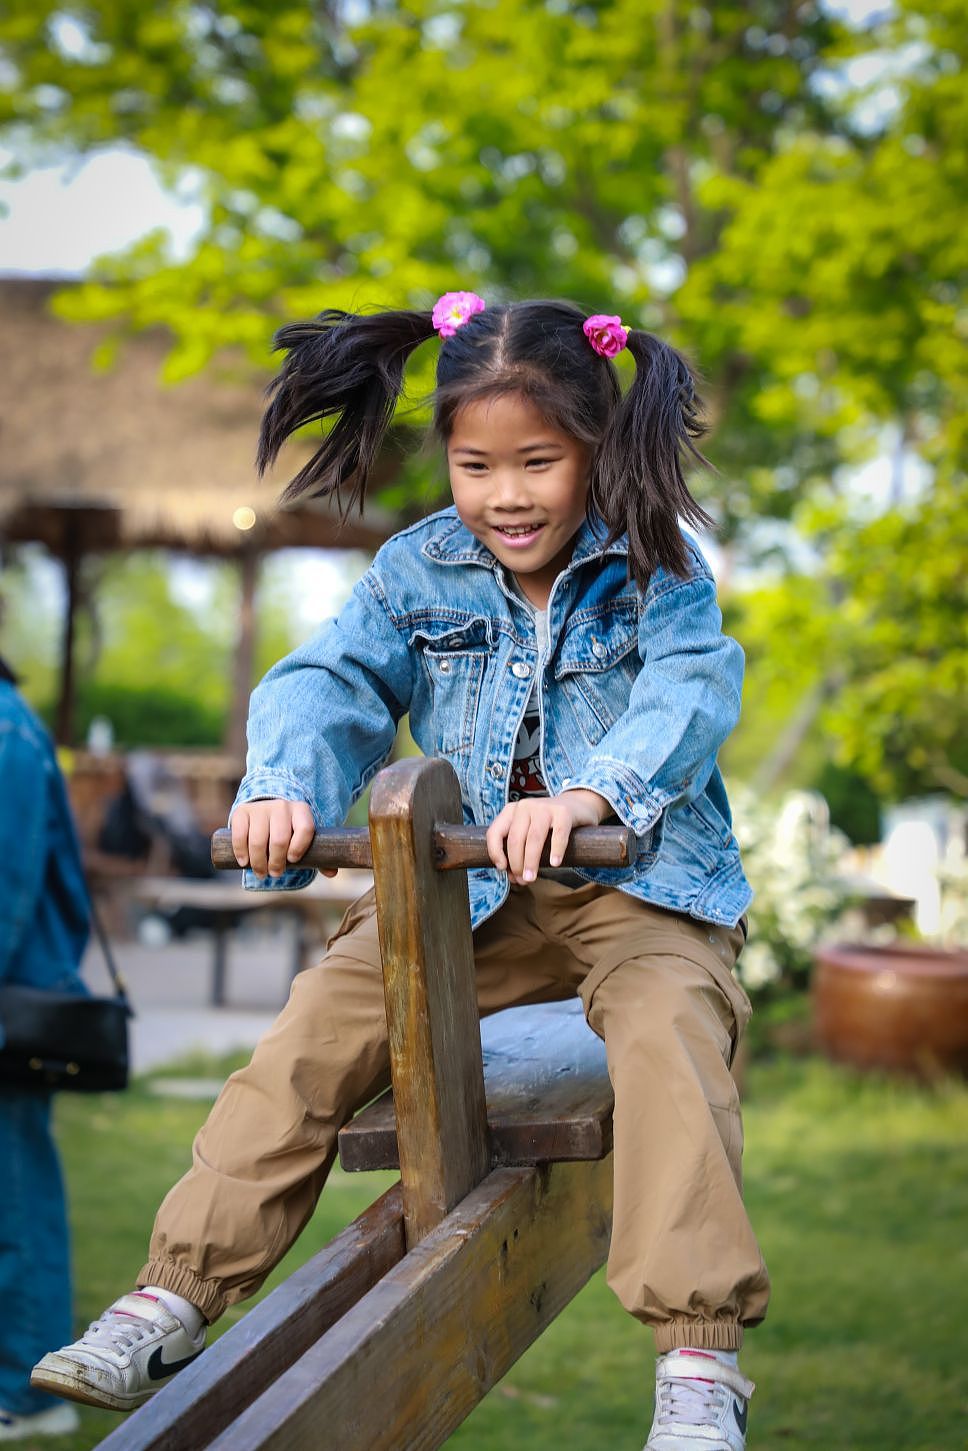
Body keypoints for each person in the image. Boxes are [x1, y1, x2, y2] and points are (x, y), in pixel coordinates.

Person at [33, 294, 770, 1449]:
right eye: (476, 465)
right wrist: (282, 786)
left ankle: (695, 1356)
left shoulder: (657, 570)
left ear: (596, 447)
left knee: (669, 1030)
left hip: (637, 891)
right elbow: (326, 679)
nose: (504, 493)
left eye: (537, 462)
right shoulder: (414, 570)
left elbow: (689, 691)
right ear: (448, 459)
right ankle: (173, 1292)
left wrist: (585, 797)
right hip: (467, 893)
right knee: (316, 1027)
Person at [0, 657, 85, 1441]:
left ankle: (30, 1390)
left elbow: (6, 886)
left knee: (15, 1191)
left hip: (15, 1005)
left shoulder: (5, 730)